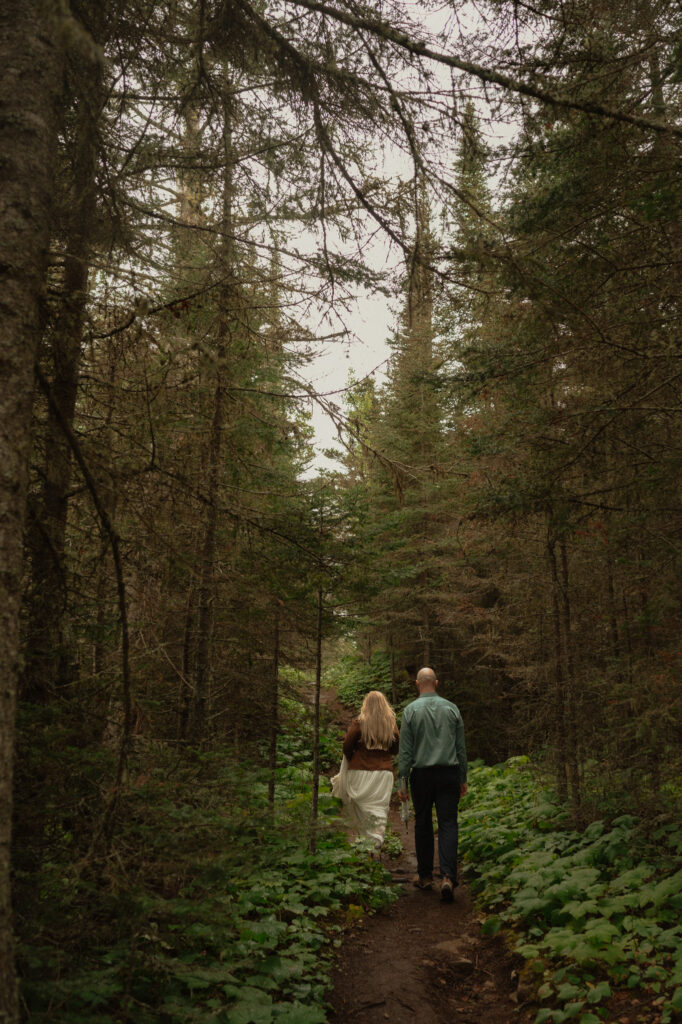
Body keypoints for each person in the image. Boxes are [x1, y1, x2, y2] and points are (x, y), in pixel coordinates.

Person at [397, 667, 468, 902]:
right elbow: (460, 748)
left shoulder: (410, 711)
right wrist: (463, 777)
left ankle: (426, 876)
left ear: (418, 684)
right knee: (448, 823)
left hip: (422, 776)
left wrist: (402, 782)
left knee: (423, 823)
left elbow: (405, 752)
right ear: (436, 683)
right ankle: (448, 877)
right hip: (449, 773)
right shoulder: (452, 708)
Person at [341, 690, 400, 847]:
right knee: (379, 809)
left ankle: (365, 844)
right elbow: (396, 749)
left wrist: (354, 758)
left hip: (359, 771)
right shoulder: (390, 724)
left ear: (366, 705)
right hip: (383, 773)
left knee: (362, 809)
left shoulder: (359, 723)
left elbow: (347, 747)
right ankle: (376, 843)